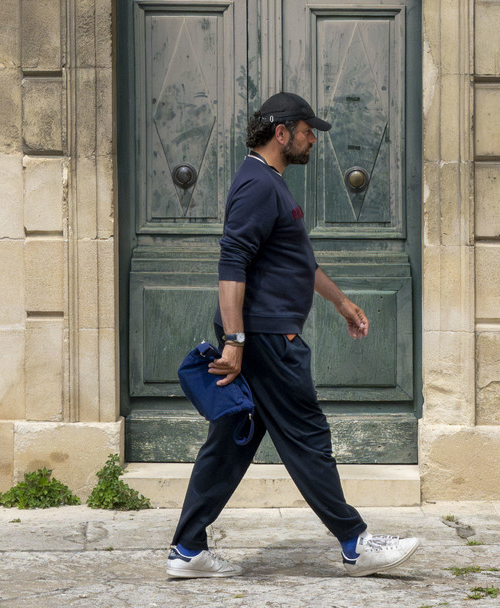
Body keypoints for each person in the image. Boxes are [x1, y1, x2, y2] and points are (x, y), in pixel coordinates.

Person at [167, 92, 420, 580]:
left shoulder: (270, 184)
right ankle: (355, 542)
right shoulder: (258, 185)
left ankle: (187, 549)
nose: (312, 141)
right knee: (307, 434)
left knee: (232, 442)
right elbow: (231, 262)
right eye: (308, 131)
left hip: (262, 332)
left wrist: (340, 301)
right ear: (281, 132)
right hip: (264, 336)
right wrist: (236, 340)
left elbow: (297, 260)